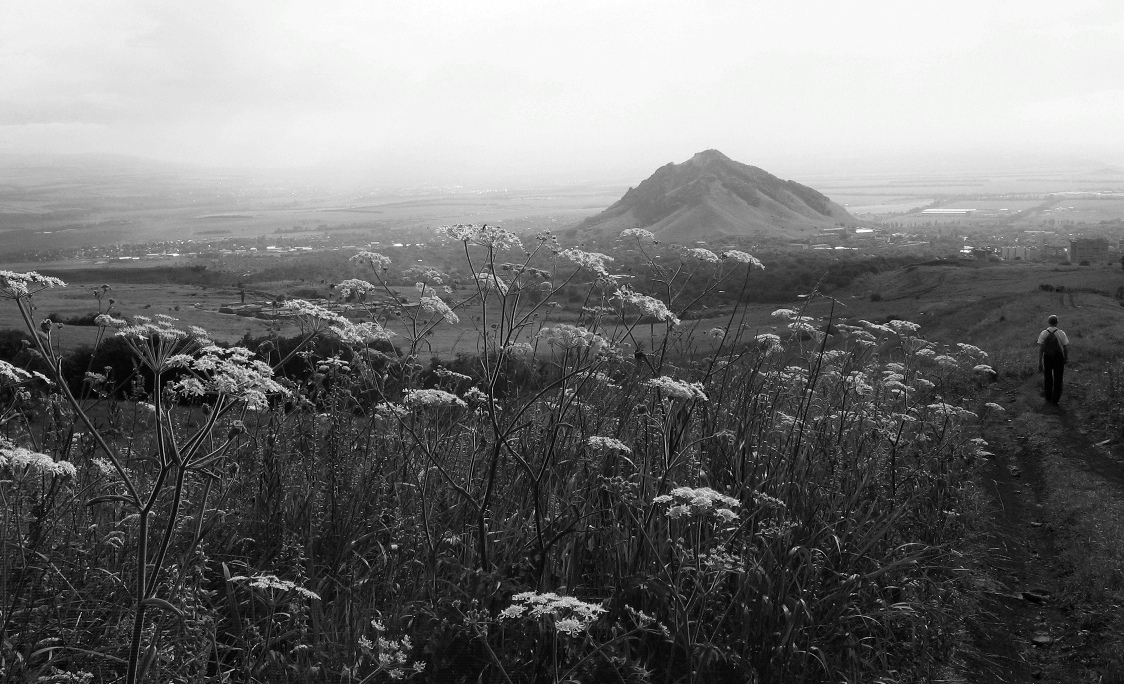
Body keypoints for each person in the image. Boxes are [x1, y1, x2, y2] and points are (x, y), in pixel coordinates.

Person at [1037, 315, 1069, 405]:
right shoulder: (1061, 333)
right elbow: (1065, 347)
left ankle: (1048, 398)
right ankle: (1055, 400)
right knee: (1058, 378)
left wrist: (1040, 362)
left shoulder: (1044, 333)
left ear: (1048, 322)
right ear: (1057, 322)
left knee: (1048, 377)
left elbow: (1041, 349)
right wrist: (1066, 358)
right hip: (1058, 357)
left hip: (1047, 357)